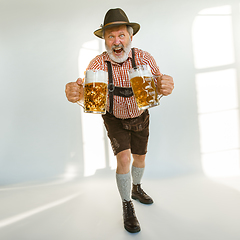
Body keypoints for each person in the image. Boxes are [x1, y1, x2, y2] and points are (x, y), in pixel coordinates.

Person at [65, 8, 174, 233]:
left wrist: (165, 86)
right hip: (113, 116)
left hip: (140, 115)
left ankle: (136, 187)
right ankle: (127, 204)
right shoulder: (97, 64)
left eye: (121, 35)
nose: (117, 41)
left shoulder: (144, 58)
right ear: (104, 40)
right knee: (123, 158)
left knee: (139, 158)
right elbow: (88, 93)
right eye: (111, 36)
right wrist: (76, 93)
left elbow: (157, 85)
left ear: (130, 37)